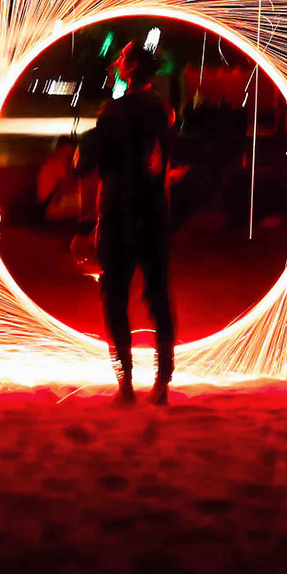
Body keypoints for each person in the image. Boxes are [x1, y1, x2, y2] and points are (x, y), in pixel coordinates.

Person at [75, 40, 175, 404]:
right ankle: (163, 382)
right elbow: (163, 160)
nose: (115, 61)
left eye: (121, 57)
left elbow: (96, 162)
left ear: (129, 68)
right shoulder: (165, 110)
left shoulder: (113, 111)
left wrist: (82, 151)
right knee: (158, 295)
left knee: (114, 298)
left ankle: (126, 384)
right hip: (154, 212)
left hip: (119, 212)